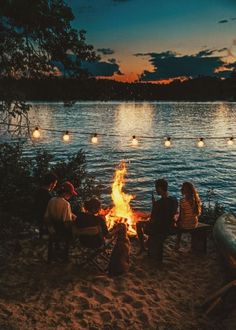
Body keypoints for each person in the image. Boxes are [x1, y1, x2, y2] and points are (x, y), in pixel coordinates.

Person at [136, 179, 178, 262]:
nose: (156, 190)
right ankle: (148, 243)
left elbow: (152, 220)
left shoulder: (158, 203)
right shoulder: (174, 200)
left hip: (159, 228)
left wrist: (154, 206)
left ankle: (142, 247)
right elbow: (173, 212)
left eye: (156, 188)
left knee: (138, 224)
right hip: (170, 225)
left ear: (160, 188)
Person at [176, 182, 202, 250]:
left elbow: (181, 216)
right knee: (186, 221)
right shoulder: (196, 199)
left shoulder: (182, 201)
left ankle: (177, 244)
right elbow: (197, 213)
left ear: (184, 190)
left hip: (187, 225)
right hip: (194, 223)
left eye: (182, 188)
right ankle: (192, 244)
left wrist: (177, 222)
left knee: (178, 226)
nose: (181, 189)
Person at [35, 172, 58, 238]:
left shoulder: (37, 191)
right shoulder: (49, 196)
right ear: (51, 183)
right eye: (55, 183)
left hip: (37, 219)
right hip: (45, 222)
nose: (55, 186)